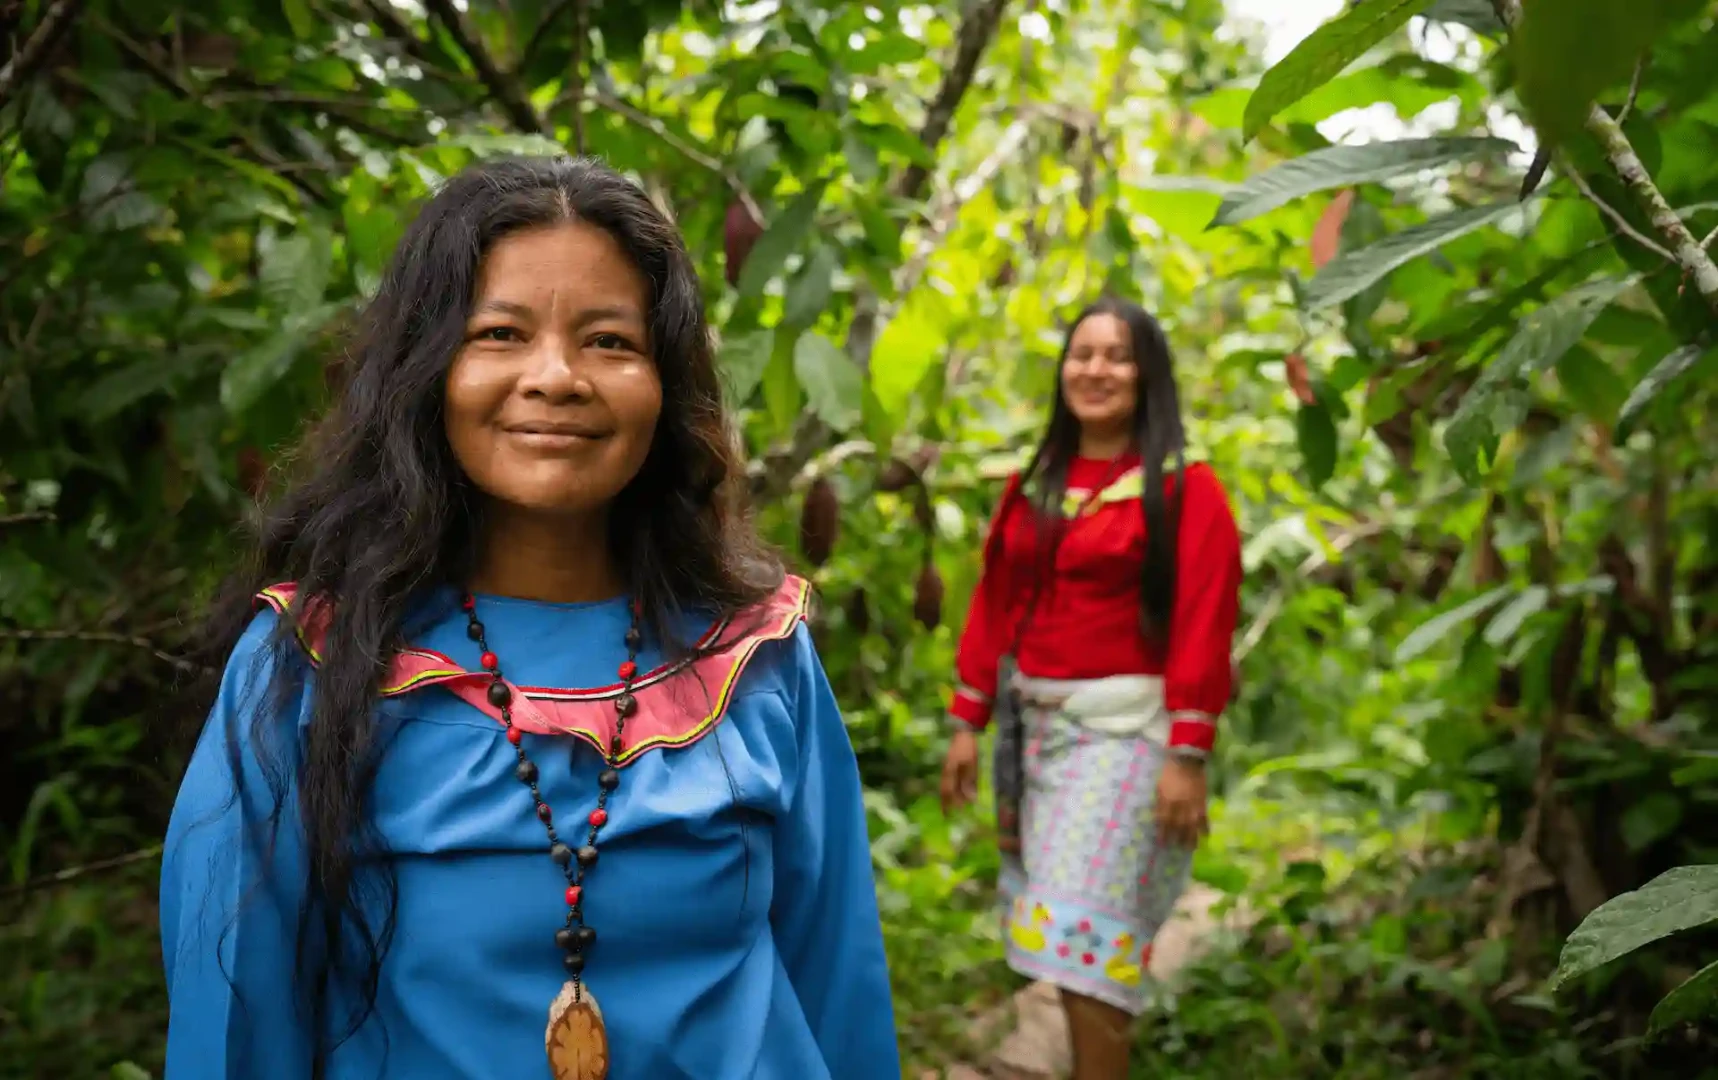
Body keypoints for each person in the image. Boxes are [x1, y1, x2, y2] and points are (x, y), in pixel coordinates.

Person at [159, 156, 901, 1080]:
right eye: (500, 332)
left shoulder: (758, 655)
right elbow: (236, 1031)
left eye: (609, 342)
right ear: (427, 370)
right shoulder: (307, 664)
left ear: (665, 384)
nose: (556, 377)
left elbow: (840, 989)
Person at [938, 297, 1241, 1080]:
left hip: (1124, 735)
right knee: (1064, 943)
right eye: (1082, 354)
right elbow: (994, 604)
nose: (1096, 370)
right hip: (1031, 734)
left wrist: (1189, 752)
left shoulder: (1185, 488)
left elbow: (1204, 619)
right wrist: (967, 723)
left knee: (1086, 944)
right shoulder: (1034, 484)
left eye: (1117, 356)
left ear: (1148, 376)